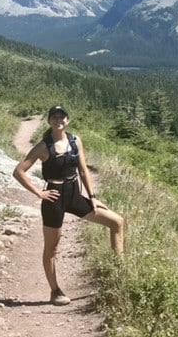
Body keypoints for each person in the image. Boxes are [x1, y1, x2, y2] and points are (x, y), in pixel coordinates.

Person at [12, 104, 124, 305]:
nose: (59, 120)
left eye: (62, 117)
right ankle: (55, 291)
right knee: (52, 249)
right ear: (49, 122)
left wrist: (93, 196)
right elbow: (19, 171)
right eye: (54, 117)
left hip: (74, 194)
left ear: (68, 120)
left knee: (116, 222)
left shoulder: (75, 141)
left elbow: (83, 170)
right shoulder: (43, 146)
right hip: (53, 198)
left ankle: (119, 274)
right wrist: (39, 192)